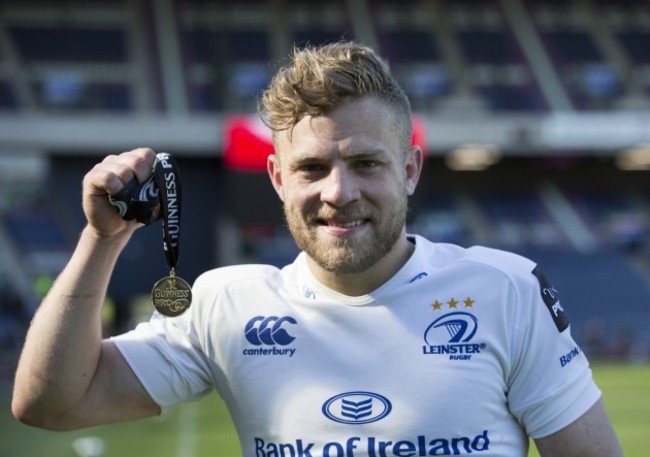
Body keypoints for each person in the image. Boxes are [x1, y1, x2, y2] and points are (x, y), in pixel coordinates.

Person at [12, 41, 622, 457]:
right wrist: (101, 240)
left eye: (365, 163)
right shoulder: (228, 302)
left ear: (409, 169)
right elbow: (51, 405)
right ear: (278, 178)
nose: (339, 192)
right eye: (312, 168)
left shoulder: (505, 290)